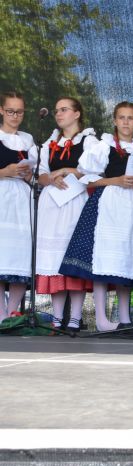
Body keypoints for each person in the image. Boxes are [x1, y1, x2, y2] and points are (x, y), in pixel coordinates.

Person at [59, 101, 133, 331]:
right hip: (109, 205)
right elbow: (87, 179)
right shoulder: (104, 146)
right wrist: (116, 180)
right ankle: (101, 319)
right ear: (114, 120)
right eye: (121, 117)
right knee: (103, 262)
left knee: (126, 260)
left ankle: (124, 318)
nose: (126, 122)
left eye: (130, 118)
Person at [32, 97, 98, 332]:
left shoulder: (89, 140)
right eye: (57, 111)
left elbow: (93, 170)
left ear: (77, 114)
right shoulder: (50, 142)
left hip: (76, 201)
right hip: (52, 203)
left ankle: (75, 318)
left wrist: (65, 170)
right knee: (54, 261)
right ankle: (58, 317)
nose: (59, 114)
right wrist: (51, 178)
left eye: (64, 110)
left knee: (72, 257)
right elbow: (40, 174)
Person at [0, 91, 33, 322]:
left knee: (20, 255)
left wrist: (28, 174)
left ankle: (12, 312)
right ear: (1, 111)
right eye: (11, 111)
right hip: (1, 196)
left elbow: (35, 175)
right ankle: (0, 313)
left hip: (22, 199)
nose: (15, 116)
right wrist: (5, 171)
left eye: (19, 112)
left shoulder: (28, 140)